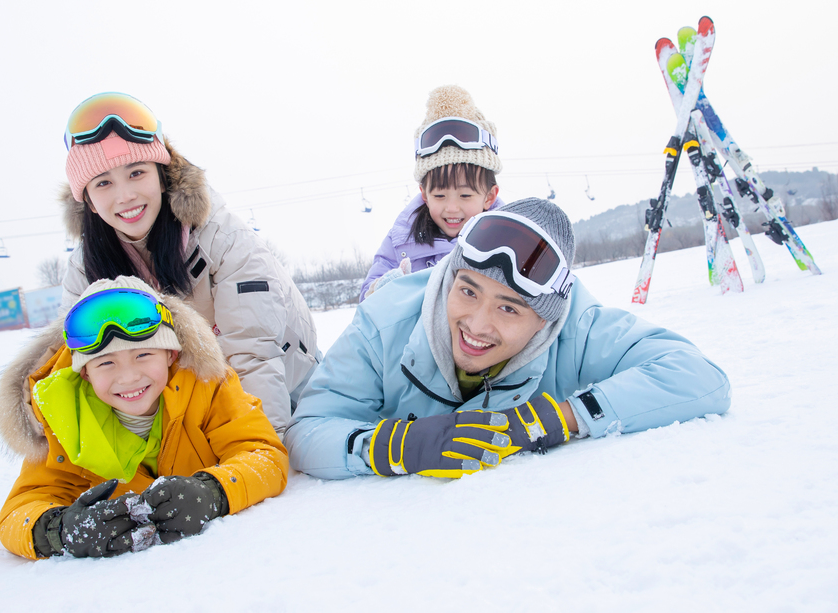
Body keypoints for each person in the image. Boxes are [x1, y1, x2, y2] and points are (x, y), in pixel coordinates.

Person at [286, 198, 731, 480]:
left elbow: (698, 377)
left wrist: (556, 419)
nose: (477, 325)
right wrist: (400, 444)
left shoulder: (576, 327)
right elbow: (308, 431)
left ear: (544, 321)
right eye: (467, 291)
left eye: (508, 308)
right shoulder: (384, 321)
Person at [59, 92, 317, 434]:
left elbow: (253, 354)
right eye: (104, 182)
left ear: (162, 176)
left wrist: (261, 450)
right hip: (190, 399)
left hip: (288, 387)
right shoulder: (84, 269)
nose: (125, 196)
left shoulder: (222, 238)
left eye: (136, 173)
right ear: (89, 201)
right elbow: (78, 366)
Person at [0, 276, 288, 560]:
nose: (129, 377)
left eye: (143, 355)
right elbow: (19, 511)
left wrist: (212, 491)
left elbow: (265, 456)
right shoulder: (64, 418)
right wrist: (60, 531)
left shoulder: (208, 385)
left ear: (171, 355)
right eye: (106, 363)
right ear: (85, 372)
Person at [359, 85, 505, 301]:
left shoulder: (509, 238)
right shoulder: (401, 241)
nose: (452, 208)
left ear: (489, 196)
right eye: (439, 196)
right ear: (424, 195)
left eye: (465, 195)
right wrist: (383, 290)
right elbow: (367, 302)